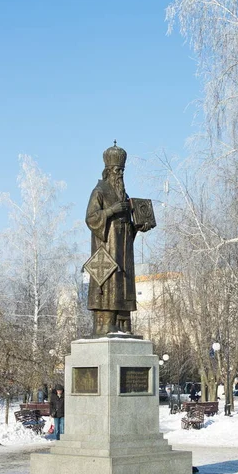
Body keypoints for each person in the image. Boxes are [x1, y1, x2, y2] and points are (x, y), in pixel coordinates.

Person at [85, 143, 153, 335]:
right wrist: (112, 211)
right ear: (108, 170)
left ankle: (122, 323)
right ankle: (107, 323)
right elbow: (91, 218)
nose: (120, 173)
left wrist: (137, 226)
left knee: (123, 283)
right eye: (117, 170)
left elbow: (127, 227)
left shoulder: (125, 196)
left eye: (122, 170)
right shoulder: (99, 191)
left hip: (124, 252)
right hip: (107, 248)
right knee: (108, 283)